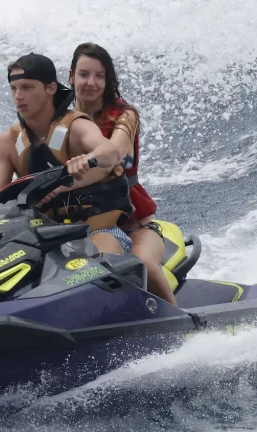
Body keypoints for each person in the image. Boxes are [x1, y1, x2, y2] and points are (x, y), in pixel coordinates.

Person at [0, 52, 134, 254]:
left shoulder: (77, 126)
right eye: (14, 88)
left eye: (27, 87)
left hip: (97, 232)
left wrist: (87, 160)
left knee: (100, 257)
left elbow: (110, 152)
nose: (18, 96)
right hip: (38, 239)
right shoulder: (7, 143)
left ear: (51, 88)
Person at [66, 42, 177, 307]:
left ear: (108, 80)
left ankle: (182, 324)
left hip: (135, 224)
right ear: (71, 77)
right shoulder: (62, 120)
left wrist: (85, 162)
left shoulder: (125, 116)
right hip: (85, 224)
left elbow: (115, 151)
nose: (91, 82)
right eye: (84, 74)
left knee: (143, 265)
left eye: (99, 76)